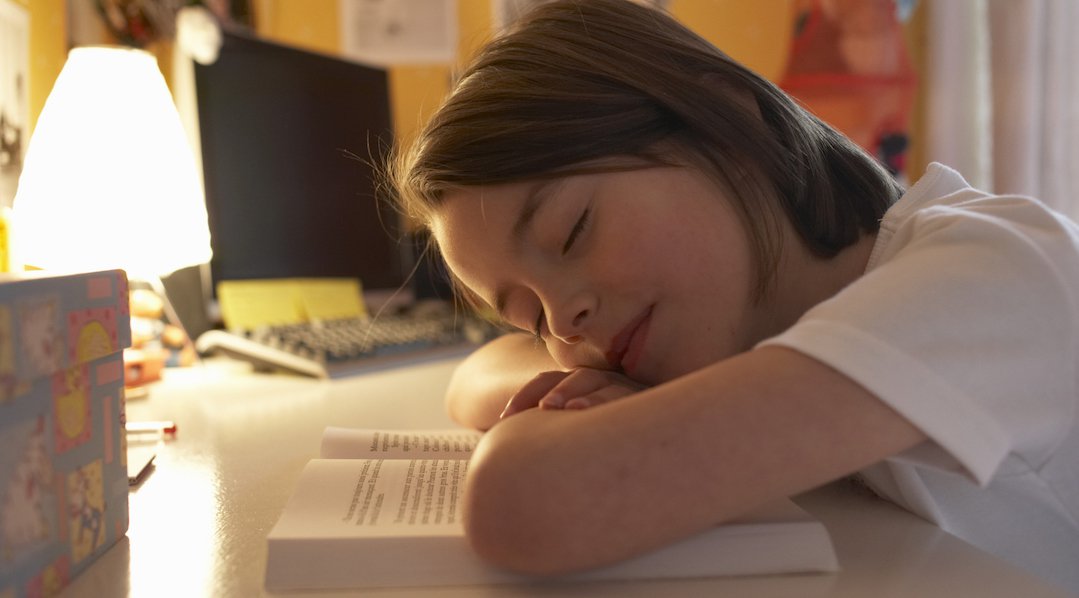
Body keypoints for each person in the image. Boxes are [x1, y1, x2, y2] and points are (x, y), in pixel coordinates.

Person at [387, 0, 1079, 591]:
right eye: (530, 314)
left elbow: (526, 508)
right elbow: (479, 371)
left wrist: (563, 420)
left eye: (572, 233)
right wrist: (582, 389)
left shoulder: (986, 275)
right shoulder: (766, 324)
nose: (564, 325)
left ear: (723, 114)